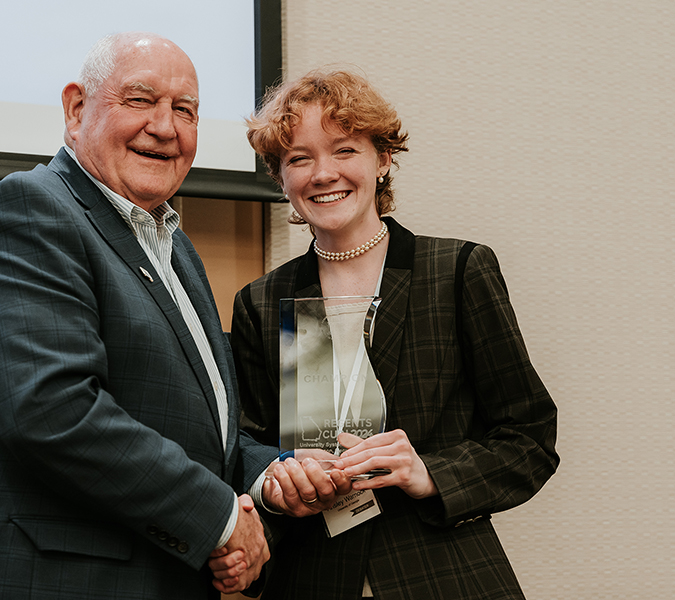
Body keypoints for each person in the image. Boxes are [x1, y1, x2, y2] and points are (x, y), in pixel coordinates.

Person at [0, 32, 321, 599]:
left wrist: (268, 473)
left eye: (185, 110)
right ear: (75, 109)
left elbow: (193, 427)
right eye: (139, 100)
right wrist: (222, 519)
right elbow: (52, 411)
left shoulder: (175, 249)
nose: (164, 127)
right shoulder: (29, 209)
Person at [230, 68, 560, 599]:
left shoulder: (456, 271)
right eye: (299, 159)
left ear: (383, 159)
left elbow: (530, 438)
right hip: (312, 576)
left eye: (345, 150)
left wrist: (428, 473)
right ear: (280, 177)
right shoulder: (261, 302)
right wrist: (277, 482)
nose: (323, 173)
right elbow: (244, 447)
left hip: (444, 577)